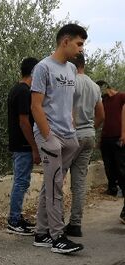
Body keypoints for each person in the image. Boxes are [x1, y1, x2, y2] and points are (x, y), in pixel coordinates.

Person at [30, 24, 87, 254]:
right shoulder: (43, 67)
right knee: (55, 185)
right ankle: (57, 237)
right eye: (79, 43)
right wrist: (48, 136)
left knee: (51, 184)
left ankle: (41, 232)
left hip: (69, 137)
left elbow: (69, 101)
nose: (81, 48)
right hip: (49, 134)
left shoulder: (72, 69)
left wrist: (72, 123)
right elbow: (35, 106)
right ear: (65, 41)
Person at [65, 52, 104, 237]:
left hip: (71, 136)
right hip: (89, 136)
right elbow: (101, 115)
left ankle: (50, 224)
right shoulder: (94, 86)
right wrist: (90, 128)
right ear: (84, 64)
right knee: (79, 182)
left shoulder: (69, 82)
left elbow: (65, 111)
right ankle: (75, 224)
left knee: (57, 179)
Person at [5, 57, 40, 235]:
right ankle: (14, 219)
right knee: (21, 182)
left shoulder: (16, 89)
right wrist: (34, 147)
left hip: (20, 143)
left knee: (21, 181)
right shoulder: (24, 92)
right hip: (23, 144)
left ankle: (16, 217)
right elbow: (24, 122)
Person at [97, 80, 125, 206]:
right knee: (108, 165)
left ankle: (123, 190)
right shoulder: (104, 101)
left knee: (120, 166)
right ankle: (112, 188)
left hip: (119, 137)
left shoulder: (121, 97)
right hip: (106, 137)